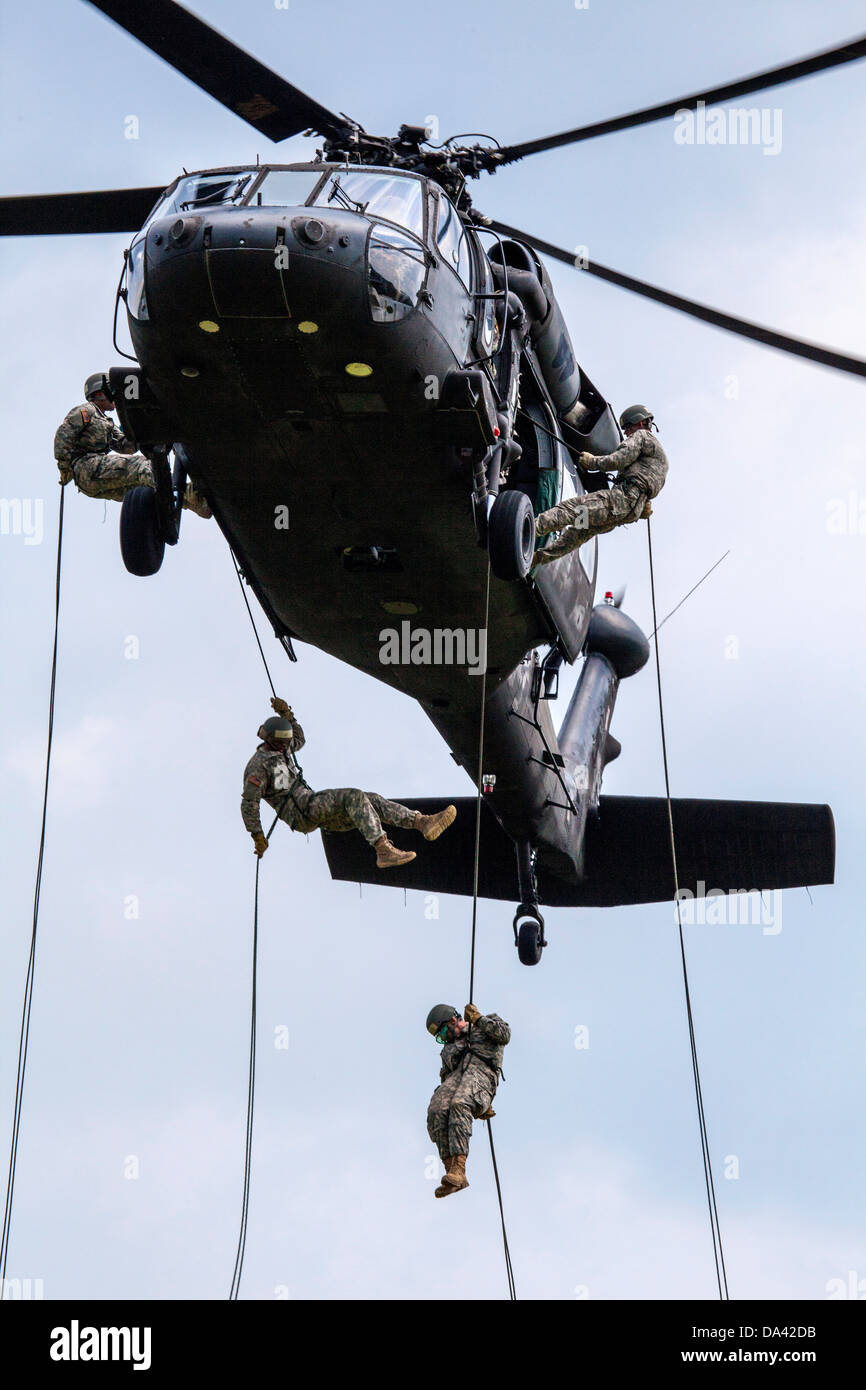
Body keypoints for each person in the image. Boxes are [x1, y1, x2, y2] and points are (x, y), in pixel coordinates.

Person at [241, 696, 456, 869]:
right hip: (302, 812)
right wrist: (257, 835)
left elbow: (299, 738)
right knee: (353, 796)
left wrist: (287, 714)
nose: (288, 745)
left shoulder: (281, 746)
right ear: (271, 741)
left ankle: (421, 822)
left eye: (288, 742)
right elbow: (249, 803)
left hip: (313, 809)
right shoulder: (258, 767)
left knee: (368, 800)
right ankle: (383, 849)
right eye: (283, 743)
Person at [53, 373, 211, 518]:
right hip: (87, 467)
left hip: (91, 481)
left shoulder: (107, 423)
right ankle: (192, 494)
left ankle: (193, 504)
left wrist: (135, 425)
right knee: (144, 466)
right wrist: (64, 468)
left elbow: (126, 447)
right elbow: (63, 436)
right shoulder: (87, 410)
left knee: (147, 486)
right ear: (100, 393)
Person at [533, 404, 668, 565]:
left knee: (570, 509)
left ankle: (528, 529)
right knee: (580, 530)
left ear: (639, 423)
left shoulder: (642, 436)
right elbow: (648, 483)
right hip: (626, 512)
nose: (626, 432)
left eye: (627, 427)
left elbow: (620, 458)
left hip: (619, 501)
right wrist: (644, 502)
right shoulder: (661, 458)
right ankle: (538, 558)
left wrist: (593, 462)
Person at [426, 1002, 510, 1197]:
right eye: (440, 1037)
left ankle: (459, 1168)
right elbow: (446, 1076)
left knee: (459, 1103)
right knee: (437, 1109)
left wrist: (479, 1019)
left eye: (444, 1031)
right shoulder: (449, 1049)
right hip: (457, 1079)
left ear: (453, 1020)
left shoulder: (483, 1025)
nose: (444, 1038)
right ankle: (452, 1171)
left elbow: (504, 1035)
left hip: (482, 1074)